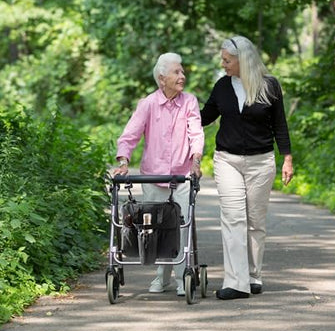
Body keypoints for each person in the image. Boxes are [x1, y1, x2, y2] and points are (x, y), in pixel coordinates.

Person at [200, 35, 293, 300]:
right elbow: (203, 118)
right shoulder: (222, 86)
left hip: (261, 162)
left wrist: (287, 158)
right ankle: (236, 282)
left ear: (243, 59)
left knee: (255, 222)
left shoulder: (269, 86)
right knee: (233, 218)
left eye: (227, 60)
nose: (223, 63)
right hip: (227, 160)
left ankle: (253, 276)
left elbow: (280, 124)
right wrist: (178, 110)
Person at [113, 52, 204, 296]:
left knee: (181, 226)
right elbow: (129, 135)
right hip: (153, 177)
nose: (182, 76)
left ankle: (183, 276)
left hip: (182, 177)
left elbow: (196, 132)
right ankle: (161, 278)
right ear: (162, 78)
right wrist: (123, 161)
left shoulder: (189, 102)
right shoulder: (148, 104)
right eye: (177, 72)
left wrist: (196, 159)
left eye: (182, 71)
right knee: (155, 227)